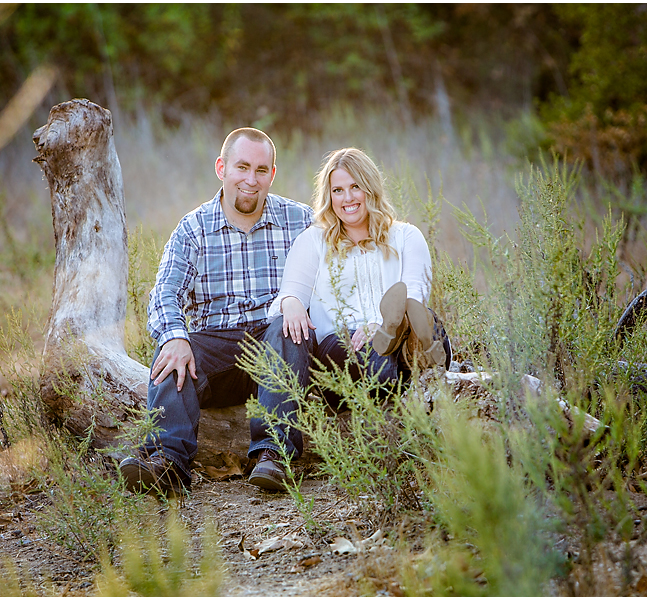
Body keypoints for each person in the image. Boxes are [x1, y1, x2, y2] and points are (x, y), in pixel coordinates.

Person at [119, 127, 313, 495]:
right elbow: (165, 294)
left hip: (279, 345)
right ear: (222, 167)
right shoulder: (193, 229)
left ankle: (274, 455)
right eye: (242, 167)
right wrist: (175, 336)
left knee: (287, 329)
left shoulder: (300, 221)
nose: (250, 180)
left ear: (272, 174)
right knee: (173, 351)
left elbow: (343, 262)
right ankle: (166, 462)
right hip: (218, 348)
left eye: (260, 170)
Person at [250, 147, 451, 486]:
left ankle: (401, 335)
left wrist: (378, 323)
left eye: (354, 187)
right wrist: (291, 303)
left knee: (421, 317)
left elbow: (416, 292)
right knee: (376, 359)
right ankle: (407, 349)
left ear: (370, 187)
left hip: (395, 334)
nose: (347, 198)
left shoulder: (405, 236)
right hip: (341, 352)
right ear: (328, 196)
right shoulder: (314, 241)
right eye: (338, 190)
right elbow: (288, 295)